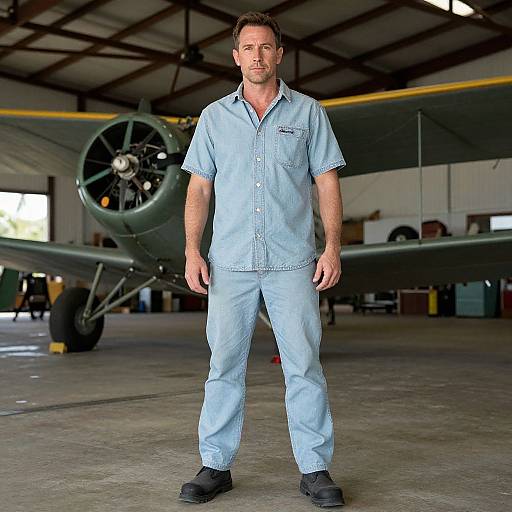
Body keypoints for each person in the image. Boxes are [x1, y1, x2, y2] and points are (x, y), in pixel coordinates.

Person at [179, 11, 346, 507]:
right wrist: (191, 250)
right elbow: (199, 188)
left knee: (304, 366)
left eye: (266, 47)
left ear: (279, 53)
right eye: (248, 48)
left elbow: (327, 182)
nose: (257, 56)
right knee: (223, 366)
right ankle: (216, 465)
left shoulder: (309, 113)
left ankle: (314, 470)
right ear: (236, 57)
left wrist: (332, 246)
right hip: (229, 262)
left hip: (292, 261)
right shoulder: (213, 118)